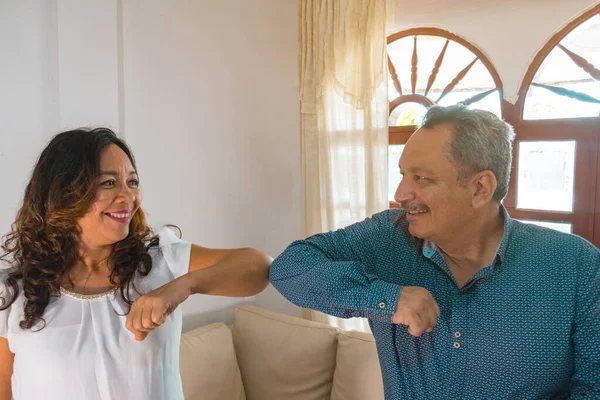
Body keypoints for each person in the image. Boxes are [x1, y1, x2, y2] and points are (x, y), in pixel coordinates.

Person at [270, 105, 600, 399]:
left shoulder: (576, 265)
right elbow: (289, 267)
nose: (400, 193)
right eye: (402, 175)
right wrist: (384, 298)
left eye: (422, 178)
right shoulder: (389, 235)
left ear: (480, 189)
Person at [0, 128, 272, 400]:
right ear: (63, 194)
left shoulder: (161, 262)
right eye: (108, 183)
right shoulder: (13, 293)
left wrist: (183, 287)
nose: (128, 197)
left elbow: (260, 267)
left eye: (132, 182)